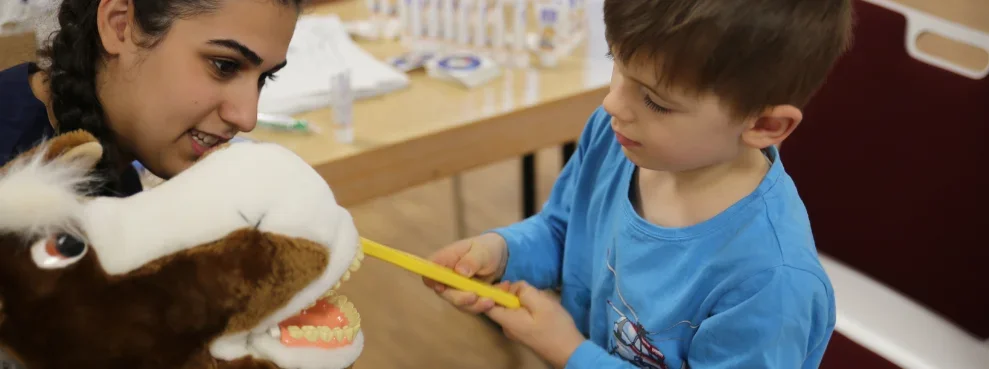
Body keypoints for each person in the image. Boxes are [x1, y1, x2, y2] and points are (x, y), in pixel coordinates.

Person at [423, 0, 853, 368]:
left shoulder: (771, 281)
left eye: (655, 100)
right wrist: (501, 252)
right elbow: (563, 230)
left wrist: (570, 352)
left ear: (764, 124)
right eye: (616, 63)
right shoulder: (620, 139)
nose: (613, 103)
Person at [0, 0, 302, 196]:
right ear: (120, 26)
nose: (246, 117)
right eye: (224, 65)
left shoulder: (117, 175)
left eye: (265, 77)